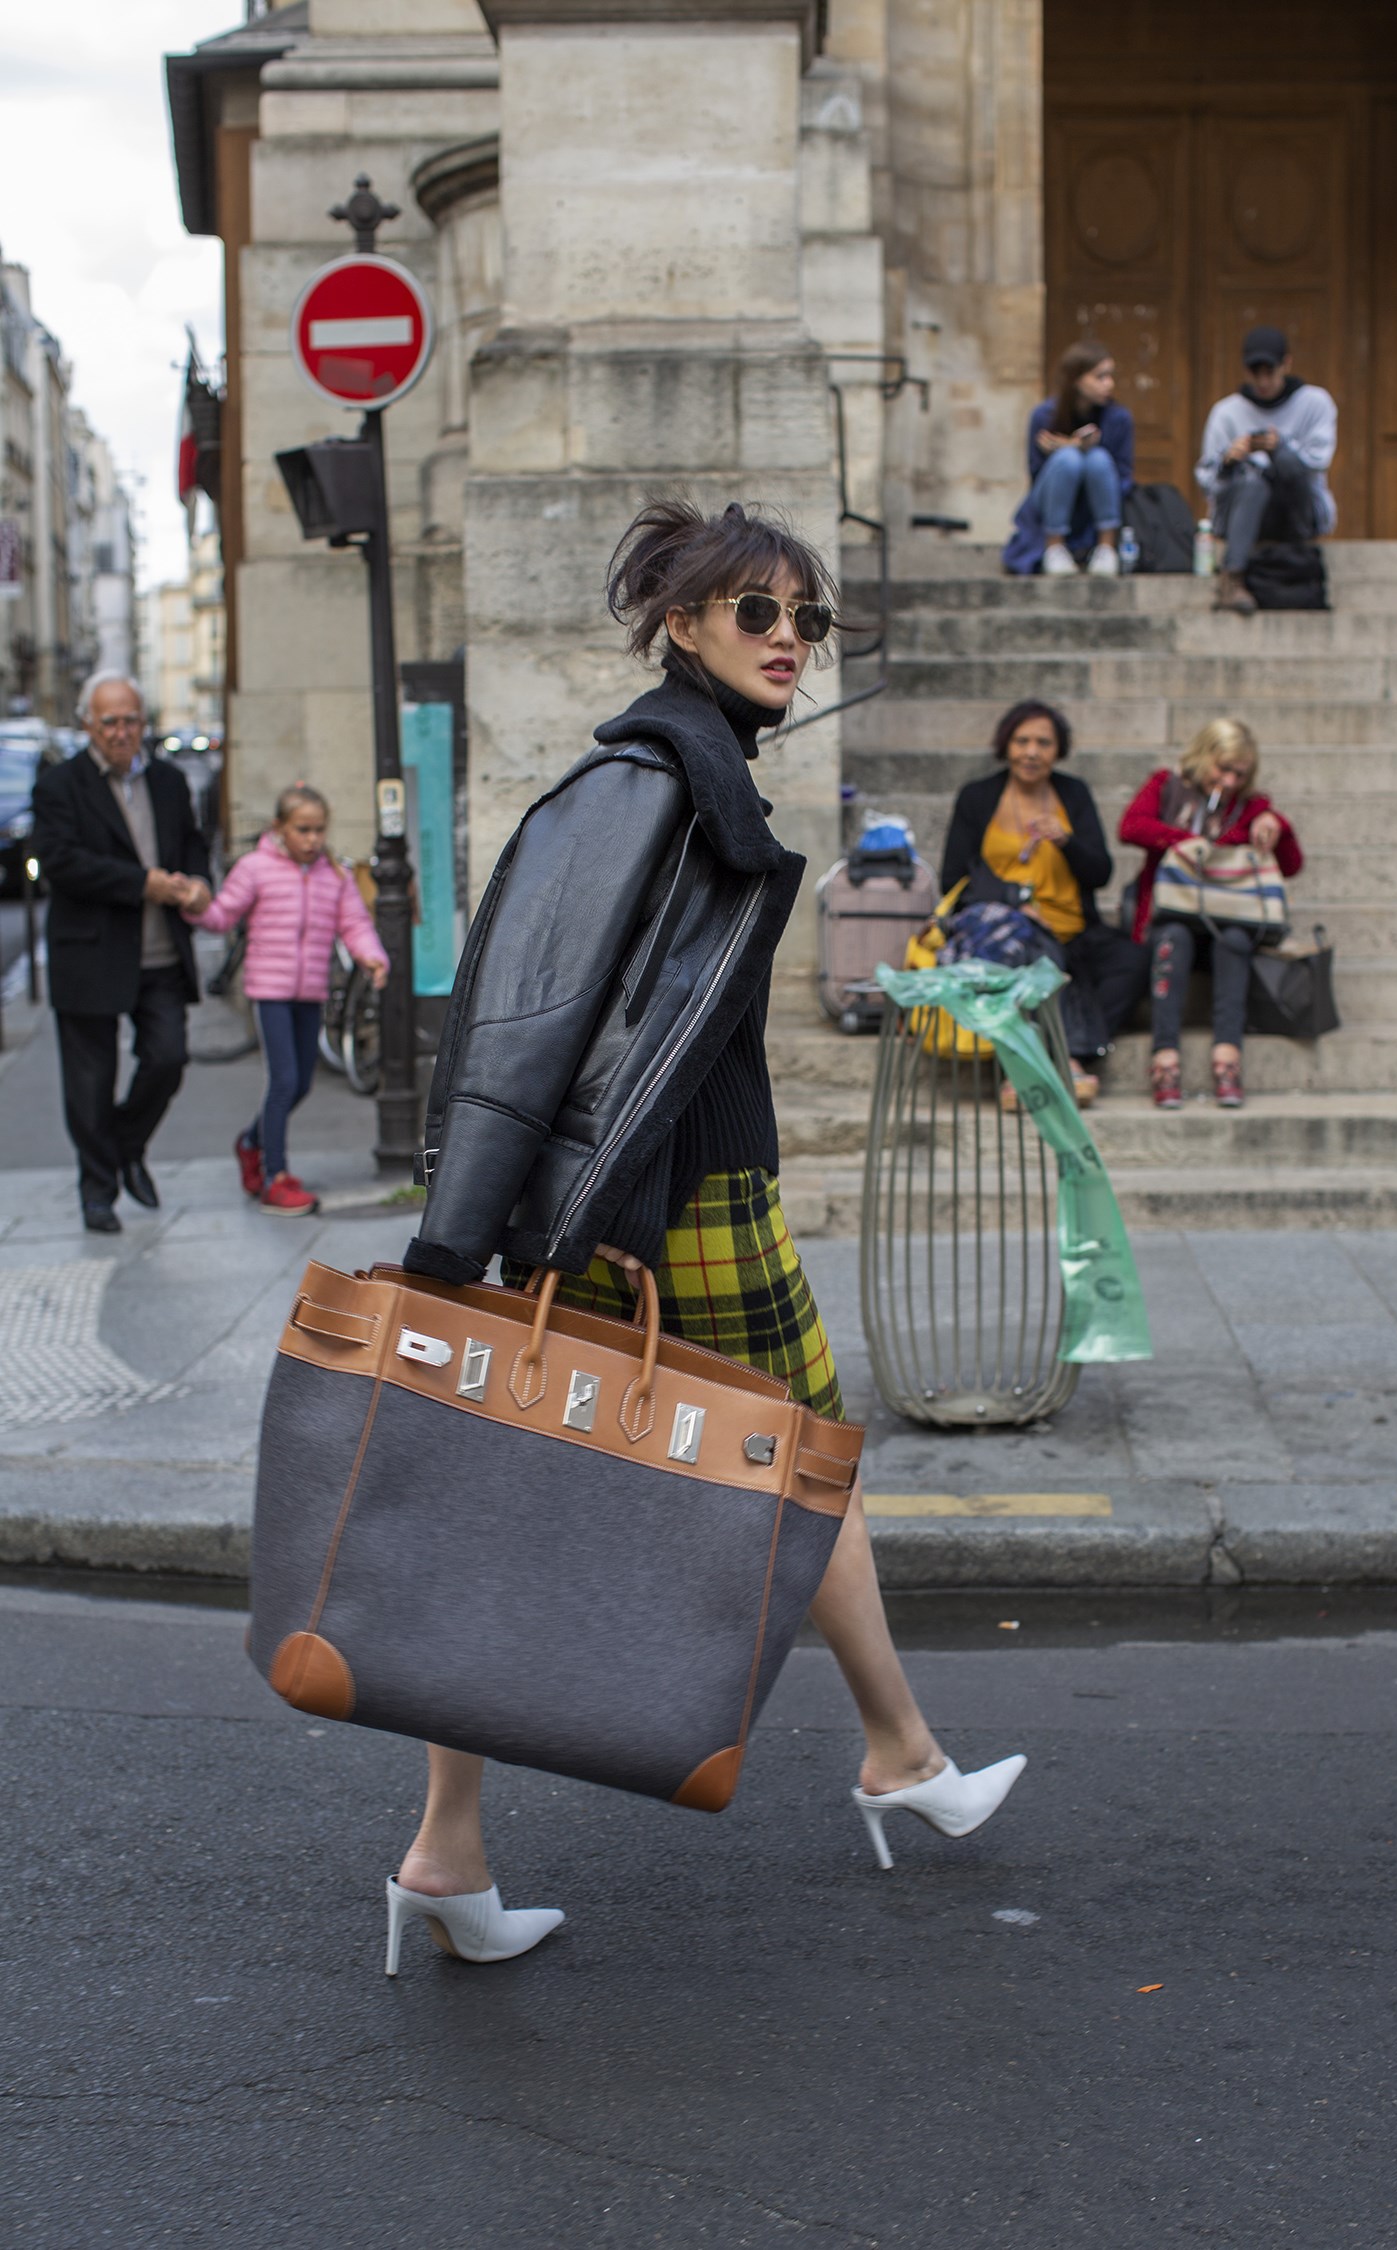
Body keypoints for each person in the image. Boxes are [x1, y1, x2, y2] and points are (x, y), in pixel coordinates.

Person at [383, 499, 1028, 1971]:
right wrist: (542, 1222)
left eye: (805, 617)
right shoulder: (656, 780)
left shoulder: (692, 771)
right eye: (757, 612)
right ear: (683, 624)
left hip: (688, 1200)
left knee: (728, 1475)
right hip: (667, 1218)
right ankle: (895, 1755)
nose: (789, 639)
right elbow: (543, 1018)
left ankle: (888, 1751)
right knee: (733, 1480)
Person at [30, 672, 211, 1234]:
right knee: (89, 1080)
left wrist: (201, 883)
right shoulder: (60, 785)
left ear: (143, 722)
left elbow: (192, 846)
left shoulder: (167, 781)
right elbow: (61, 862)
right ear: (88, 723)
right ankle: (99, 1190)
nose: (120, 731)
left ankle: (125, 1144)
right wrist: (142, 883)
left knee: (169, 1056)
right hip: (89, 953)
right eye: (108, 721)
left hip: (159, 952)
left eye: (130, 719)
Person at [185, 783, 389, 1216]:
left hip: (310, 989)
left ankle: (250, 1142)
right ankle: (275, 1176)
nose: (312, 839)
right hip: (271, 992)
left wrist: (371, 956)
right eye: (303, 829)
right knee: (283, 1081)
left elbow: (353, 922)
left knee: (301, 1084)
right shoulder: (256, 868)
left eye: (319, 829)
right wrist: (197, 905)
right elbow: (223, 915)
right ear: (280, 828)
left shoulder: (333, 874)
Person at [939, 699, 1148, 1103]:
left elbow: (1100, 873)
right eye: (1022, 741)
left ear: (1059, 750)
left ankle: (1056, 1051)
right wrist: (1016, 901)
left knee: (1134, 960)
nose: (1031, 752)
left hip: (1074, 929)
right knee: (1038, 956)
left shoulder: (1073, 793)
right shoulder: (978, 797)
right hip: (1010, 933)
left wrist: (1066, 841)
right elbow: (955, 880)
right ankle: (1059, 1061)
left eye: (1043, 743)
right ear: (1006, 746)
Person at [1119, 718, 1303, 1109]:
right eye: (1223, 768)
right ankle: (1164, 1056)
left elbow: (1290, 864)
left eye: (1241, 773)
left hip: (1227, 919)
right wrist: (1187, 843)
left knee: (1234, 943)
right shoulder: (1167, 788)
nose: (1230, 780)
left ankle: (1227, 1057)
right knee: (1174, 939)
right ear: (1204, 757)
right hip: (1173, 916)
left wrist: (1276, 824)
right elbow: (1131, 827)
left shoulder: (1252, 807)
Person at [1196, 325, 1337, 615]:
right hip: (1242, 513)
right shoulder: (1226, 412)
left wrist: (1279, 448)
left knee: (1287, 466)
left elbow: (1316, 463)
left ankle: (1298, 559)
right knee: (1253, 482)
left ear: (1287, 364)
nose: (1262, 381)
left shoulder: (1315, 403)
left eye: (1269, 371)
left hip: (1300, 512)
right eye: (1254, 372)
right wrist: (1229, 461)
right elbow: (1206, 482)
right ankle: (1231, 580)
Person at [1003, 342, 1135, 579]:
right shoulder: (1044, 415)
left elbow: (1124, 477)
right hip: (1055, 503)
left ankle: (1106, 547)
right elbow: (1036, 475)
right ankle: (1054, 546)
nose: (1109, 384)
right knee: (1068, 460)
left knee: (1097, 458)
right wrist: (1069, 451)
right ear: (1077, 379)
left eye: (1110, 376)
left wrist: (1074, 446)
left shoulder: (1118, 418)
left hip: (1100, 503)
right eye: (1100, 377)